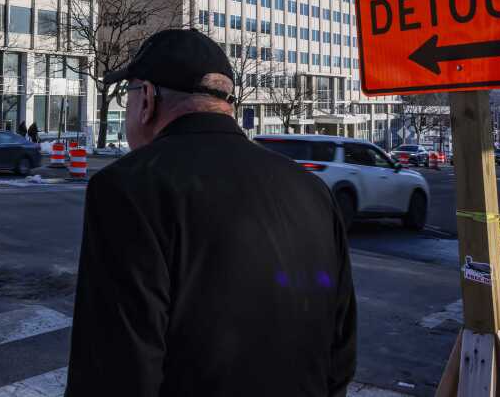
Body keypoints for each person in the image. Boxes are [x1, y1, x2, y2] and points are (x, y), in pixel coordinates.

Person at [66, 29, 356, 397]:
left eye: (130, 94)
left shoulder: (128, 188)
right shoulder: (312, 190)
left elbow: (115, 369)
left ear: (148, 100)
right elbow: (340, 348)